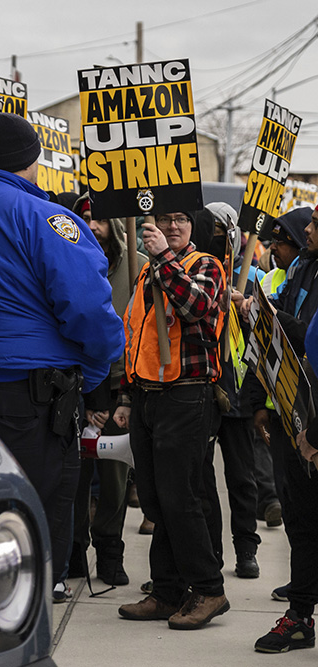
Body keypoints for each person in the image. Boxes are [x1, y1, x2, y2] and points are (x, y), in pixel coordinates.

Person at [0, 112, 124, 602]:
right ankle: (19, 614)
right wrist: (93, 374)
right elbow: (91, 312)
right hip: (26, 401)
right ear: (32, 160)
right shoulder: (46, 218)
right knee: (32, 511)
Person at [114, 208, 230, 630]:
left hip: (186, 396)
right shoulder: (149, 273)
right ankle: (166, 591)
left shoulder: (205, 266)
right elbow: (137, 335)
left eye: (181, 220)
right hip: (148, 397)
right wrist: (127, 396)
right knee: (157, 499)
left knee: (182, 498)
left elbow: (195, 305)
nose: (173, 227)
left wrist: (163, 259)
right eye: (164, 220)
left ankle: (208, 589)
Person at [246, 204, 318, 652]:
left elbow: (308, 339)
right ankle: (300, 613)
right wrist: (260, 404)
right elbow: (282, 342)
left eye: (315, 225)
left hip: (313, 425)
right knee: (300, 518)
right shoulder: (302, 268)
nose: (308, 229)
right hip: (295, 416)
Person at [68, 192, 147, 586]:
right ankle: (73, 553)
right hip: (78, 389)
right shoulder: (67, 263)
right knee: (75, 480)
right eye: (86, 219)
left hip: (121, 389)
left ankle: (110, 554)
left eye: (100, 219)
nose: (93, 227)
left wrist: (124, 396)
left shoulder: (139, 268)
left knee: (115, 480)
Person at [191, 203, 264, 580]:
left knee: (242, 477)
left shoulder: (253, 275)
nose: (217, 239)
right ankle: (211, 553)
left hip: (240, 391)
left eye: (223, 232)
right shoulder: (197, 271)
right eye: (211, 231)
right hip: (206, 386)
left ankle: (246, 548)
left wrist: (249, 308)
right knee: (201, 480)